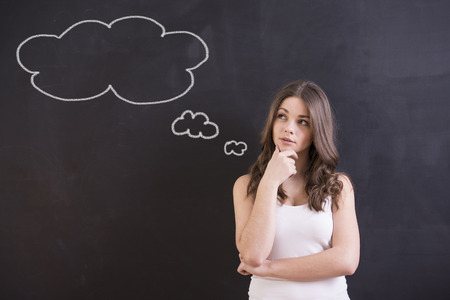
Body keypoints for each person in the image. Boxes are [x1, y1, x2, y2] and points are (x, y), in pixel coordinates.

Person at [233, 80, 360, 299]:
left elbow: (346, 261)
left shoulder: (338, 186)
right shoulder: (247, 186)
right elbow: (253, 255)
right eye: (282, 116)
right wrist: (270, 182)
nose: (288, 128)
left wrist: (269, 269)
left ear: (316, 130)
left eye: (303, 122)